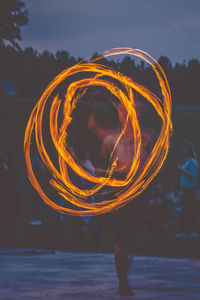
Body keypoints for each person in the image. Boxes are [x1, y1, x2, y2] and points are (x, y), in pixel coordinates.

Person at [174, 140, 199, 238]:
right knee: (187, 210)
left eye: (184, 148)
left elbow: (193, 176)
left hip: (189, 189)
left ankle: (191, 231)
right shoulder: (187, 161)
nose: (182, 149)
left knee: (188, 210)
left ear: (188, 149)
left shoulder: (192, 161)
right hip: (186, 189)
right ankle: (186, 231)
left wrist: (181, 169)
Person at [0, 149, 19, 247]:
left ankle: (11, 243)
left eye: (4, 155)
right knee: (2, 221)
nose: (3, 158)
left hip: (10, 198)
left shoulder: (12, 166)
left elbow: (15, 178)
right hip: (2, 199)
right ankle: (3, 243)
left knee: (10, 222)